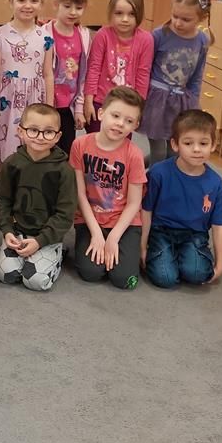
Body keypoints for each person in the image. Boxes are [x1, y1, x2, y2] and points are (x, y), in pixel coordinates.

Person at [0, 103, 76, 292]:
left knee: (36, 282)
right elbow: (2, 199)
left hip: (46, 235)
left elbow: (65, 214)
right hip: (17, 232)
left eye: (48, 132)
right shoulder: (12, 163)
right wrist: (7, 231)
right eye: (33, 130)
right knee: (7, 275)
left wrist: (40, 240)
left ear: (58, 136)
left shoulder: (64, 171)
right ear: (20, 132)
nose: (40, 137)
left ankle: (57, 252)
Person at [70, 86, 147, 290]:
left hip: (124, 222)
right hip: (90, 219)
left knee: (123, 279)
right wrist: (96, 233)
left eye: (129, 121)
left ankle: (131, 247)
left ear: (136, 125)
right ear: (101, 113)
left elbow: (134, 203)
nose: (120, 124)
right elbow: (80, 194)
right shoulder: (80, 145)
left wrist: (113, 237)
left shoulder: (134, 155)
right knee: (91, 273)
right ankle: (94, 241)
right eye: (115, 116)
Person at [142, 110, 222, 287]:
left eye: (203, 143)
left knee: (198, 274)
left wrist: (220, 264)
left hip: (194, 235)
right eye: (188, 143)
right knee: (165, 278)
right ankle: (166, 255)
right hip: (161, 231)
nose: (196, 149)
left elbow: (219, 225)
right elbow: (146, 210)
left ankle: (182, 257)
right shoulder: (158, 173)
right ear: (175, 144)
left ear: (213, 145)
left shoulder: (216, 183)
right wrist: (141, 247)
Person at [0, 0, 55, 173]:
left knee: (34, 147)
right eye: (21, 0)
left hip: (35, 101)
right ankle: (4, 188)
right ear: (11, 2)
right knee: (6, 149)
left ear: (41, 3)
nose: (28, 5)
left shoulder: (46, 37)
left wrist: (49, 108)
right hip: (6, 102)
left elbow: (48, 74)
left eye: (34, 0)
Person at [142, 0, 214, 165]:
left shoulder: (202, 41)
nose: (178, 23)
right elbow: (146, 67)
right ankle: (152, 182)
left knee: (173, 152)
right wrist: (141, 97)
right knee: (158, 152)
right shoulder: (159, 35)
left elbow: (196, 76)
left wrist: (194, 105)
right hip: (156, 101)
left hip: (181, 103)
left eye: (186, 19)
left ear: (202, 18)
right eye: (175, 16)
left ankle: (135, 170)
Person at [83, 0, 154, 133]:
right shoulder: (103, 35)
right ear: (111, 13)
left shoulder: (146, 39)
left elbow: (143, 74)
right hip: (101, 102)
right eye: (119, 13)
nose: (125, 19)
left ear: (139, 14)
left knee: (121, 144)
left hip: (128, 105)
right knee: (96, 140)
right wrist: (88, 101)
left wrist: (138, 108)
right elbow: (94, 69)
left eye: (131, 14)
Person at [47, 0, 91, 156]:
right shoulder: (44, 33)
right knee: (44, 147)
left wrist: (79, 109)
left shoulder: (84, 36)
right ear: (56, 4)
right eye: (67, 6)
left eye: (78, 8)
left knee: (65, 152)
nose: (73, 12)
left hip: (69, 106)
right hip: (47, 103)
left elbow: (83, 76)